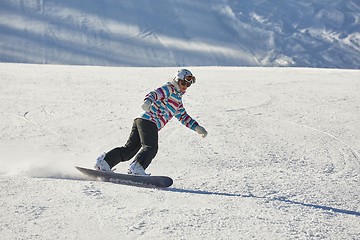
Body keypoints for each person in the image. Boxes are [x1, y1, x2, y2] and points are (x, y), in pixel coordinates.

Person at [94, 69, 208, 175]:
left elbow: (183, 116)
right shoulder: (170, 88)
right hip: (149, 120)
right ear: (177, 81)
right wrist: (148, 102)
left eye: (188, 85)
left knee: (129, 149)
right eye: (183, 83)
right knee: (151, 147)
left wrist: (197, 127)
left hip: (142, 120)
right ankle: (137, 167)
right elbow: (154, 93)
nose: (185, 87)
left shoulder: (177, 101)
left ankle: (105, 162)